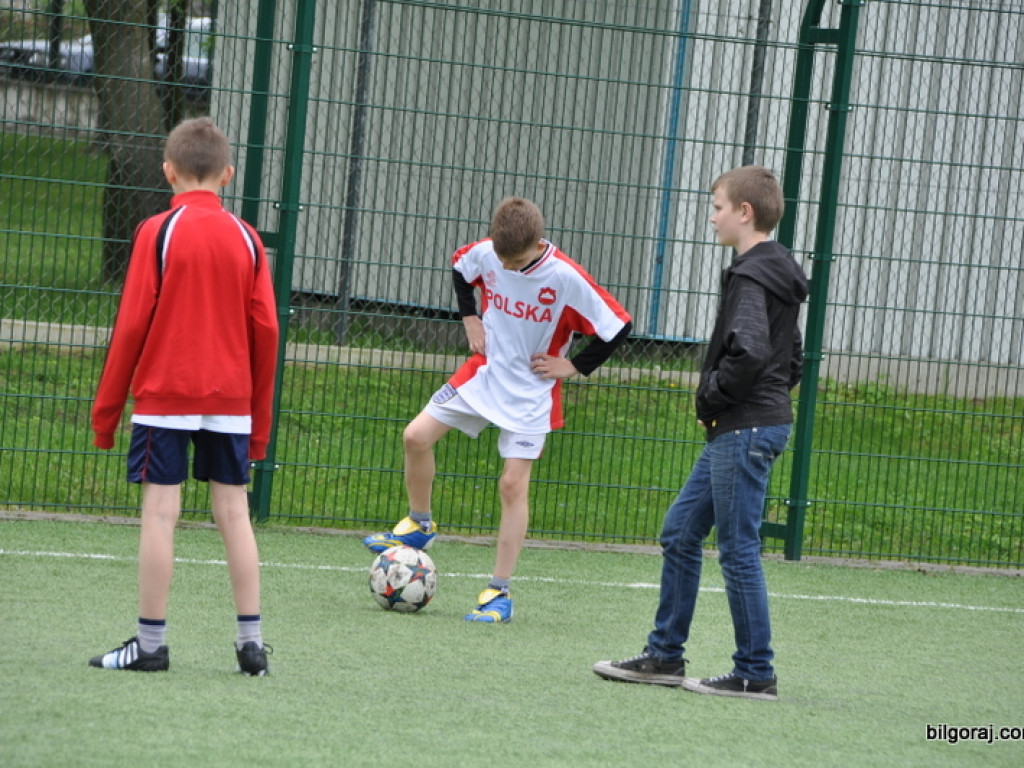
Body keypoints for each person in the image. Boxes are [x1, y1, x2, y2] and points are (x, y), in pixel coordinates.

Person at [593, 165, 808, 700]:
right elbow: (793, 357)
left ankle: (755, 673)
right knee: (682, 532)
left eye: (717, 207)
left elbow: (754, 348)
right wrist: (763, 396)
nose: (711, 217)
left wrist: (713, 395)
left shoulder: (751, 275)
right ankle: (664, 656)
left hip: (744, 427)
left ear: (744, 213)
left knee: (738, 550)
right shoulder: (775, 272)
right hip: (750, 424)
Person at [364, 197, 632, 622]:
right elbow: (461, 267)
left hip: (531, 393)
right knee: (415, 436)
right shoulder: (490, 251)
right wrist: (469, 318)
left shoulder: (565, 277)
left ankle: (498, 593)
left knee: (511, 485)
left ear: (538, 243)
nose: (505, 269)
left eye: (517, 262)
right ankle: (421, 524)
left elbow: (618, 325)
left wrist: (576, 366)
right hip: (484, 375)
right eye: (501, 261)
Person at [89, 117, 279, 675]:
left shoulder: (157, 230)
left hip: (165, 394)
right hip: (231, 397)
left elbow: (129, 328)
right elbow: (266, 333)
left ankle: (150, 648)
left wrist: (106, 417)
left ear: (168, 172)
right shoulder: (248, 239)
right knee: (235, 516)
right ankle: (252, 647)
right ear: (228, 174)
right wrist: (258, 424)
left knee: (160, 514)